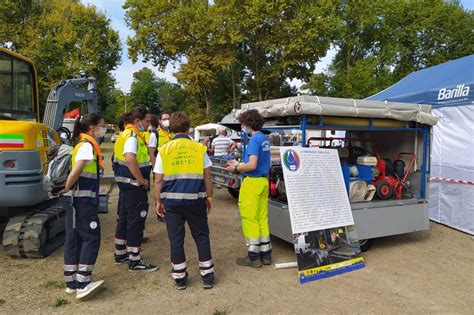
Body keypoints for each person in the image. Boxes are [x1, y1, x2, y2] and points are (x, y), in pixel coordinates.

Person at [154, 112, 215, 290]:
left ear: (170, 127)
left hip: (172, 203)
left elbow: (158, 179)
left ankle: (180, 277)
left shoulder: (164, 150)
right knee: (202, 236)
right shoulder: (199, 148)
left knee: (176, 239)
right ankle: (207, 275)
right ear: (189, 128)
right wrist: (209, 197)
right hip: (196, 200)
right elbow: (208, 176)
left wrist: (158, 201)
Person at [61, 113, 106, 299]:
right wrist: (66, 187)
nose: (104, 128)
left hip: (75, 200)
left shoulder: (79, 144)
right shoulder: (87, 146)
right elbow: (76, 171)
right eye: (102, 125)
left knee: (74, 239)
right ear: (92, 128)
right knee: (91, 237)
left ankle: (71, 281)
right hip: (83, 201)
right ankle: (84, 282)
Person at [113, 107, 157, 272]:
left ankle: (121, 253)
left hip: (125, 183)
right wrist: (141, 180)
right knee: (136, 220)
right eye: (146, 121)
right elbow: (130, 158)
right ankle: (134, 258)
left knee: (124, 217)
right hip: (134, 185)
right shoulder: (132, 137)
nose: (148, 125)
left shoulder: (124, 134)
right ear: (138, 121)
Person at [226, 109, 272, 268]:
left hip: (252, 182)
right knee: (262, 218)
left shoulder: (254, 140)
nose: (241, 126)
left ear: (248, 123)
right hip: (263, 182)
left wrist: (236, 167)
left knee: (249, 218)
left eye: (242, 123)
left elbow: (252, 164)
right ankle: (266, 254)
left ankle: (253, 256)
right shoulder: (264, 139)